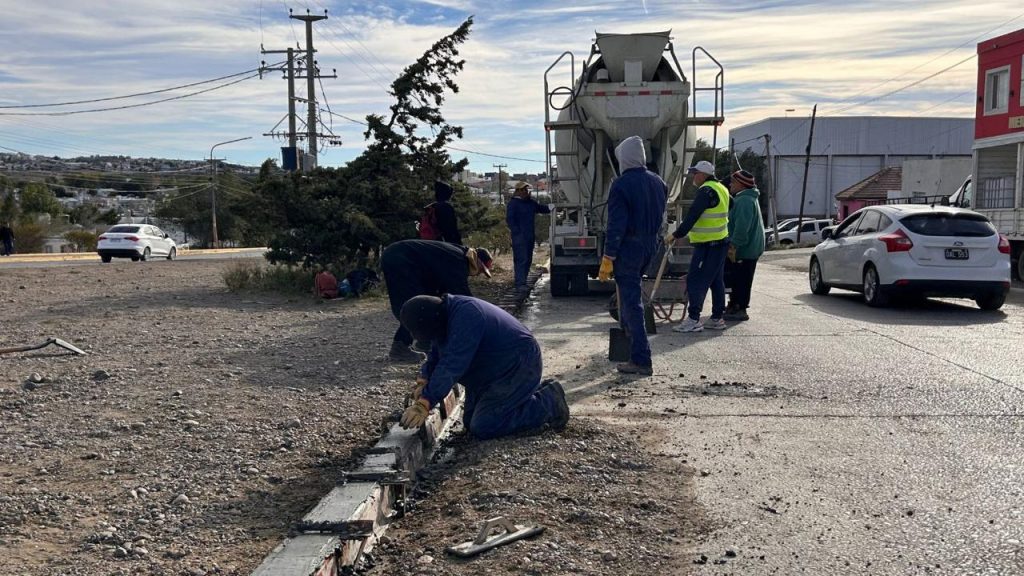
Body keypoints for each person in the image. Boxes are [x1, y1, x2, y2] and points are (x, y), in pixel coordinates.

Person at [398, 294, 569, 439]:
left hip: (518, 364)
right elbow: (436, 353)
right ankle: (528, 394)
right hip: (494, 370)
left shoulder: (467, 317)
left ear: (432, 321)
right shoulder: (445, 316)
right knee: (471, 422)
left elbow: (451, 365)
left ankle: (550, 401)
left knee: (485, 424)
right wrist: (424, 381)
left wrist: (425, 403)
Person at [599, 135, 667, 375]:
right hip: (650, 245)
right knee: (632, 294)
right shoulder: (659, 182)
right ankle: (629, 335)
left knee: (631, 303)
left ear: (623, 159)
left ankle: (641, 359)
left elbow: (616, 224)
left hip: (629, 247)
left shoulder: (621, 184)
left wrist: (609, 256)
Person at [381, 239, 493, 362]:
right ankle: (400, 348)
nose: (477, 274)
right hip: (402, 259)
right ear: (476, 260)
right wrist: (483, 315)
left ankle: (424, 342)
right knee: (414, 306)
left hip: (402, 258)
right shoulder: (458, 260)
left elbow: (442, 291)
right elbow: (463, 296)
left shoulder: (456, 254)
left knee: (426, 303)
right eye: (480, 270)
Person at [665, 160, 730, 333]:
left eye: (695, 173)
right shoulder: (721, 188)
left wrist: (675, 235)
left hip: (708, 244)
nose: (693, 176)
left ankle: (694, 319)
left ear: (703, 175)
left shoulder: (706, 191)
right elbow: (732, 204)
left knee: (696, 279)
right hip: (720, 242)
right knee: (716, 281)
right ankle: (717, 317)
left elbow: (692, 216)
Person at [724, 170, 765, 321]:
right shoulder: (747, 198)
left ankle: (740, 308)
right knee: (738, 278)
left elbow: (742, 229)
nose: (730, 185)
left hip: (745, 250)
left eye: (733, 182)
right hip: (748, 248)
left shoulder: (744, 201)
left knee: (741, 279)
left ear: (741, 184)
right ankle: (734, 304)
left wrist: (733, 247)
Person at [506, 181, 552, 295]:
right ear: (518, 191)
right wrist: (517, 232)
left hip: (529, 236)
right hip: (520, 237)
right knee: (521, 260)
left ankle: (523, 282)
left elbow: (541, 208)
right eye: (524, 190)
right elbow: (510, 220)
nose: (526, 192)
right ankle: (520, 284)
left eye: (527, 190)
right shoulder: (513, 204)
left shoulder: (530, 203)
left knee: (527, 260)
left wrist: (553, 207)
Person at [423, 181, 462, 245]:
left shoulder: (431, 207)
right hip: (442, 244)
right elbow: (451, 229)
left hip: (429, 242)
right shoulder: (446, 207)